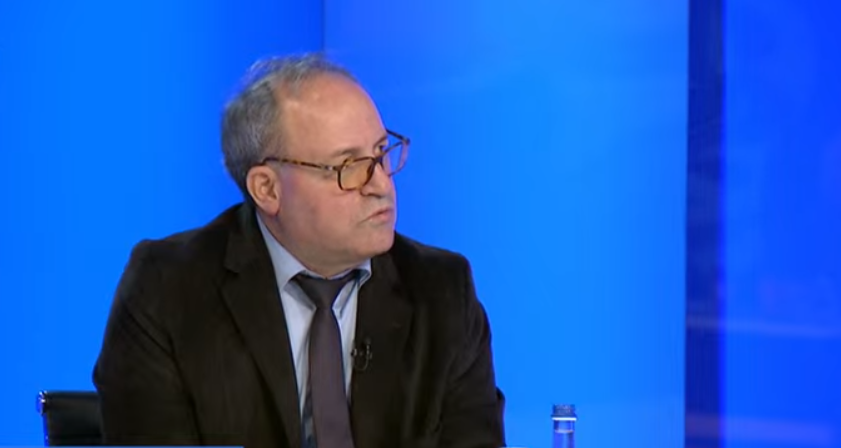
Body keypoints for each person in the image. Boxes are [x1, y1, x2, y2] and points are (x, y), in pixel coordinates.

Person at [93, 53, 505, 448]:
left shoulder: (441, 292)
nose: (381, 184)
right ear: (267, 189)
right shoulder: (168, 290)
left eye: (381, 154)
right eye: (348, 167)